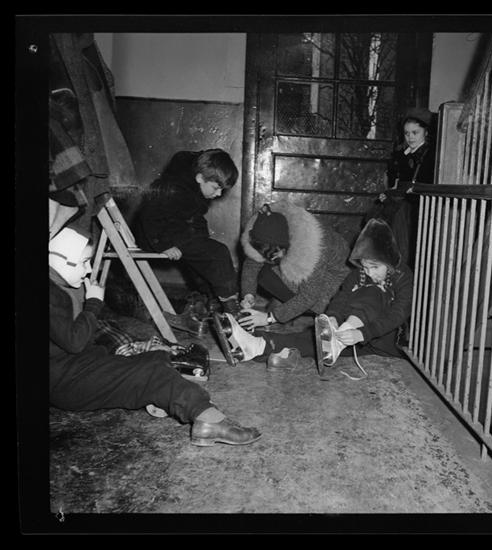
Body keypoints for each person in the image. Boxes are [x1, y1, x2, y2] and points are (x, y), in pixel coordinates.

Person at [49, 226, 261, 446]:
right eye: (83, 262)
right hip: (68, 381)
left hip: (77, 368)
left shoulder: (58, 288)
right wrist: (93, 303)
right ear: (61, 261)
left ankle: (161, 395)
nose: (87, 270)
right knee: (152, 373)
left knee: (155, 358)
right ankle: (207, 419)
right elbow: (75, 342)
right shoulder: (50, 296)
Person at [215, 218, 413, 371]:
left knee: (371, 291)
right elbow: (341, 298)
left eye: (375, 267)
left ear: (389, 261)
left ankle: (337, 339)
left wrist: (362, 333)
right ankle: (256, 345)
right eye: (365, 267)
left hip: (387, 339)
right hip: (362, 339)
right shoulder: (359, 274)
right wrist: (333, 318)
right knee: (311, 341)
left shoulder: (403, 277)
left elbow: (398, 314)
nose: (369, 273)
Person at [133, 149, 241, 314]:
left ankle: (211, 299)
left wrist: (203, 240)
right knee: (219, 253)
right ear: (200, 178)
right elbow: (150, 216)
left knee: (207, 254)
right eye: (215, 188)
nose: (219, 193)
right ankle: (229, 303)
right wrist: (164, 245)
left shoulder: (194, 184)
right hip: (155, 236)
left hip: (174, 231)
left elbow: (194, 219)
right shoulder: (173, 188)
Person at [237, 201, 351, 330]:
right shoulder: (271, 226)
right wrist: (248, 295)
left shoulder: (312, 249)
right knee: (265, 271)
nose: (271, 259)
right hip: (310, 272)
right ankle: (283, 309)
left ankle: (293, 319)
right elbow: (252, 262)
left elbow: (308, 297)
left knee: (268, 275)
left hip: (331, 288)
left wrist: (270, 318)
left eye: (274, 254)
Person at [368, 107, 437, 270]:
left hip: (418, 210)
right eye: (407, 133)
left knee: (407, 247)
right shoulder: (401, 155)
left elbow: (429, 185)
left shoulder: (431, 156)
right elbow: (396, 183)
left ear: (426, 132)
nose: (410, 137)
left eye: (415, 133)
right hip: (400, 206)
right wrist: (388, 194)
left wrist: (412, 193)